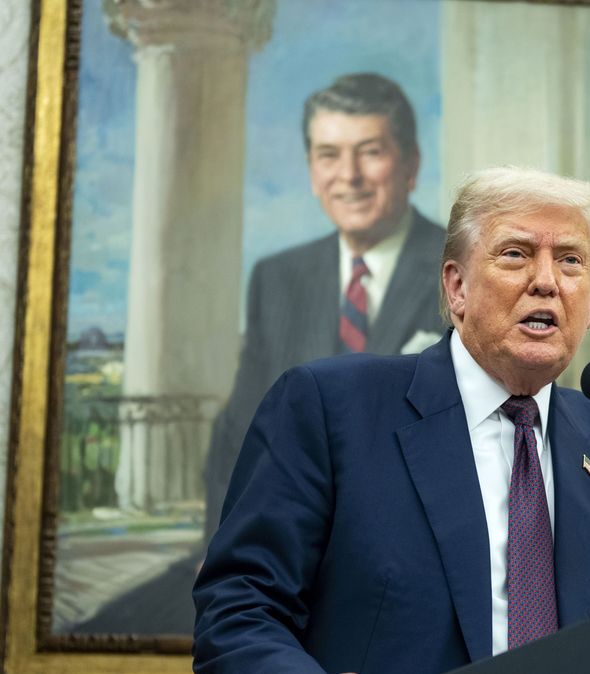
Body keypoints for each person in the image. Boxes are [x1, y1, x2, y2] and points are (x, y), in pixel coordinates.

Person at [192, 167, 590, 674]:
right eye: (514, 254)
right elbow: (239, 607)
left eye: (570, 260)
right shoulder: (332, 407)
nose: (546, 281)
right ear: (456, 289)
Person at [76, 73, 445, 636]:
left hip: (406, 568)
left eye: (370, 153)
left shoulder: (461, 270)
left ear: (410, 163)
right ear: (311, 170)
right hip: (279, 556)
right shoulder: (278, 278)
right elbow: (240, 429)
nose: (348, 177)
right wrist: (219, 549)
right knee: (118, 622)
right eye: (328, 155)